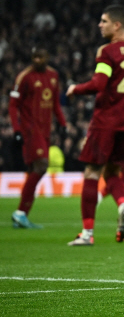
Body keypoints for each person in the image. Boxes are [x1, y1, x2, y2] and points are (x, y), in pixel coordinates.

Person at [66, 4, 124, 246]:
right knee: (113, 171)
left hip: (106, 121)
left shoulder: (107, 52)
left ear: (117, 25)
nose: (99, 25)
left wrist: (75, 89)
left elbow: (98, 83)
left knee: (92, 172)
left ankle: (87, 233)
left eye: (103, 21)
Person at [9, 46, 67, 228]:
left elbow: (55, 103)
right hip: (30, 129)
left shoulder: (53, 76)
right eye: (34, 57)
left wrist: (62, 123)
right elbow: (13, 106)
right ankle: (20, 213)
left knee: (34, 170)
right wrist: (17, 129)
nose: (37, 60)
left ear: (47, 57)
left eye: (40, 57)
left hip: (45, 130)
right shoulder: (24, 77)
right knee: (42, 165)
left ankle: (22, 214)